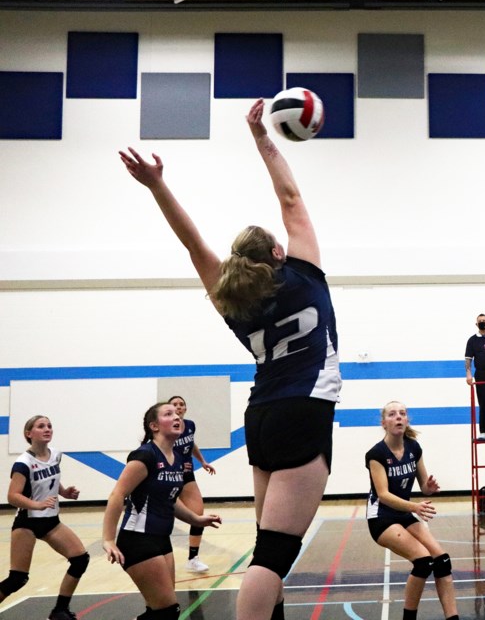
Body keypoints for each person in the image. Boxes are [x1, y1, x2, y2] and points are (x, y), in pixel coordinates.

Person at [119, 97, 342, 620]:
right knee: (275, 553)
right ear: (279, 254)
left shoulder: (230, 296)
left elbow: (191, 241)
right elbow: (290, 196)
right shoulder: (303, 274)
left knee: (270, 544)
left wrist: (156, 185)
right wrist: (262, 137)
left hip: (262, 415)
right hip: (302, 410)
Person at [102, 403, 221, 620]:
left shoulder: (176, 458)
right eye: (169, 414)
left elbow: (170, 500)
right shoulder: (144, 456)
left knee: (158, 610)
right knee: (168, 611)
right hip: (138, 540)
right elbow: (117, 495)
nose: (177, 417)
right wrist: (109, 539)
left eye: (177, 414)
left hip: (161, 540)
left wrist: (196, 518)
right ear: (154, 426)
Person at [365, 401, 459, 620]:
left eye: (402, 413)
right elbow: (384, 495)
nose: (398, 417)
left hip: (403, 512)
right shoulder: (376, 454)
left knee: (442, 560)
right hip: (381, 516)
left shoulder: (413, 447)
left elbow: (424, 486)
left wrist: (429, 488)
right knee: (423, 561)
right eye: (392, 414)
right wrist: (415, 507)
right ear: (384, 423)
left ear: (407, 420)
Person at [1, 416, 89, 620]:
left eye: (49, 425)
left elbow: (51, 478)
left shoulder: (56, 455)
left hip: (51, 521)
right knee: (18, 579)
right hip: (28, 522)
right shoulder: (23, 463)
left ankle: (60, 610)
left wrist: (65, 492)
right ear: (29, 434)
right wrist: (36, 504)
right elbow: (12, 496)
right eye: (41, 426)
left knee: (80, 560)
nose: (47, 429)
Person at [169, 395, 216, 573]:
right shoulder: (164, 429)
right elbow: (159, 450)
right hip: (168, 475)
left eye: (182, 404)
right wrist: (177, 464)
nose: (179, 407)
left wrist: (202, 461)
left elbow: (191, 444)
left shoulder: (189, 425)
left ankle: (193, 558)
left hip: (187, 475)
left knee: (198, 514)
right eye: (175, 404)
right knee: (165, 515)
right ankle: (160, 556)